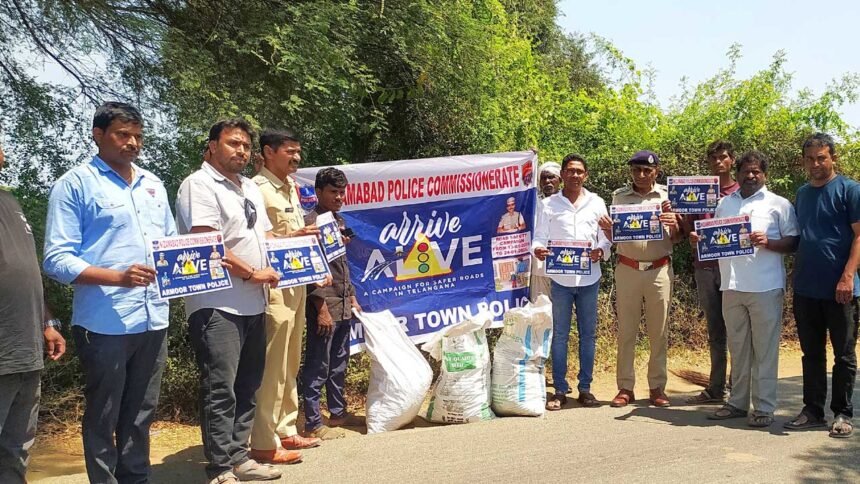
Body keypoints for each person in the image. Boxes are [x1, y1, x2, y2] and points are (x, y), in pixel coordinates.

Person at [43, 102, 175, 483]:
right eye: (122, 134)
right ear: (98, 135)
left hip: (153, 316)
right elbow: (56, 259)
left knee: (141, 411)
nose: (132, 143)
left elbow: (169, 244)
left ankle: (136, 477)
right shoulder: (75, 184)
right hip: (105, 322)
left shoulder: (153, 184)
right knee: (104, 413)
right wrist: (116, 277)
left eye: (137, 136)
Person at [175, 119, 282, 483]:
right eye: (233, 143)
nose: (241, 151)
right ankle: (220, 467)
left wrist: (300, 261)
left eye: (246, 146)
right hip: (216, 303)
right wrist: (253, 273)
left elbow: (265, 239)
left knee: (247, 384)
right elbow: (208, 246)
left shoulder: (249, 187)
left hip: (254, 302)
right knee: (220, 387)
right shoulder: (199, 185)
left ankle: (240, 457)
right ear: (212, 146)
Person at [693, 151, 798, 427]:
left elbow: (794, 242)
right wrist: (700, 239)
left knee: (764, 349)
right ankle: (737, 403)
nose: (751, 176)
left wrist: (769, 242)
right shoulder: (725, 204)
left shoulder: (779, 204)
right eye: (746, 171)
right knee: (738, 348)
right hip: (731, 285)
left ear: (764, 175)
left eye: (756, 172)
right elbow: (715, 241)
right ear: (737, 174)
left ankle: (763, 408)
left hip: (765, 286)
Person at [249, 128, 324, 461]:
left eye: (298, 152)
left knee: (291, 359)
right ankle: (264, 440)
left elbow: (298, 238)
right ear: (267, 152)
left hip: (298, 284)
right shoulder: (256, 189)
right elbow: (258, 240)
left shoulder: (291, 187)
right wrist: (296, 234)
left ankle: (287, 429)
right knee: (273, 364)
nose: (296, 157)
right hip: (274, 287)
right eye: (289, 151)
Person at [785, 133, 860, 438]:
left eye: (821, 158)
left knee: (843, 354)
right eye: (810, 158)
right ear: (804, 161)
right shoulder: (802, 194)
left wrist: (847, 276)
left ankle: (842, 413)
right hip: (806, 288)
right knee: (811, 353)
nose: (816, 164)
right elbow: (801, 237)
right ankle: (813, 409)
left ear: (833, 158)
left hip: (841, 289)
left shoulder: (850, 190)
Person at [0, 143, 66, 483]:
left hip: (25, 346)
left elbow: (24, 271)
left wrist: (47, 322)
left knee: (17, 445)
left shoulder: (9, 201)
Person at [598, 150, 680, 408]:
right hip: (628, 269)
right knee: (627, 331)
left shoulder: (668, 197)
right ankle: (625, 387)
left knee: (659, 331)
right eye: (637, 170)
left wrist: (674, 221)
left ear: (657, 171)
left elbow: (678, 237)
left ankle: (657, 387)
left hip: (659, 270)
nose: (642, 175)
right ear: (631, 172)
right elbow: (616, 238)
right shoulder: (619, 197)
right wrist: (610, 230)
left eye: (647, 170)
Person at [532, 154, 611, 409]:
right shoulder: (549, 205)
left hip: (590, 277)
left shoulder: (597, 202)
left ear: (585, 175)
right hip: (560, 279)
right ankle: (559, 390)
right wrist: (538, 249)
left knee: (588, 335)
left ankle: (585, 388)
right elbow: (539, 237)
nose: (575, 175)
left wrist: (602, 250)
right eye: (570, 171)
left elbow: (605, 238)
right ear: (562, 175)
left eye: (579, 171)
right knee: (560, 336)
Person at [301, 167, 362, 440]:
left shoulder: (337, 222)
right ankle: (313, 422)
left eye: (342, 192)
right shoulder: (310, 225)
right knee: (318, 365)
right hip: (323, 308)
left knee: (339, 363)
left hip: (343, 304)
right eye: (333, 192)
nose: (339, 197)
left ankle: (338, 413)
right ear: (318, 192)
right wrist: (321, 309)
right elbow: (310, 270)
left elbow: (341, 266)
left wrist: (351, 297)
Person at [681, 141, 740, 404]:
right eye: (714, 157)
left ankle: (737, 389)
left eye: (723, 157)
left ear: (732, 160)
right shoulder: (698, 192)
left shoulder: (741, 191)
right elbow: (688, 230)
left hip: (735, 270)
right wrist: (689, 233)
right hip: (705, 268)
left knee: (737, 329)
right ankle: (716, 388)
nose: (719, 161)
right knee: (716, 329)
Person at [530, 161, 562, 302]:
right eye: (543, 178)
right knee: (540, 306)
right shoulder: (534, 202)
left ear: (560, 179)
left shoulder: (568, 202)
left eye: (551, 177)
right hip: (540, 263)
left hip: (563, 264)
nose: (547, 181)